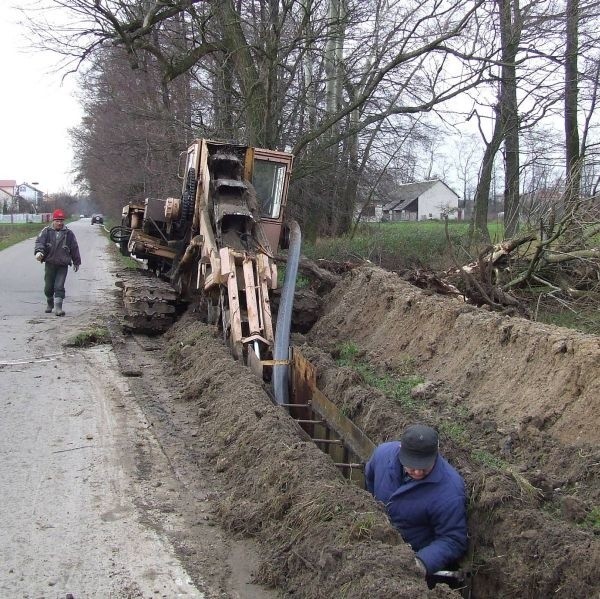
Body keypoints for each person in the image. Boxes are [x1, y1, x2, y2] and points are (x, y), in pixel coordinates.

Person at [364, 424, 468, 580]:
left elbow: (452, 539)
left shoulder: (449, 491)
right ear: (401, 450)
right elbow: (369, 478)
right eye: (412, 464)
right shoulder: (383, 455)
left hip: (411, 561)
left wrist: (421, 562)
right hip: (375, 548)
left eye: (424, 465)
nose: (418, 471)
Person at [34, 209, 81, 316]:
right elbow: (39, 242)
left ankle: (58, 308)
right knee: (48, 287)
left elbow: (74, 247)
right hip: (50, 263)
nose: (59, 223)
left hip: (63, 264)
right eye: (57, 220)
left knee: (59, 286)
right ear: (53, 220)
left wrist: (76, 262)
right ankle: (50, 302)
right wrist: (39, 252)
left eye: (61, 220)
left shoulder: (69, 233)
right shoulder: (46, 231)